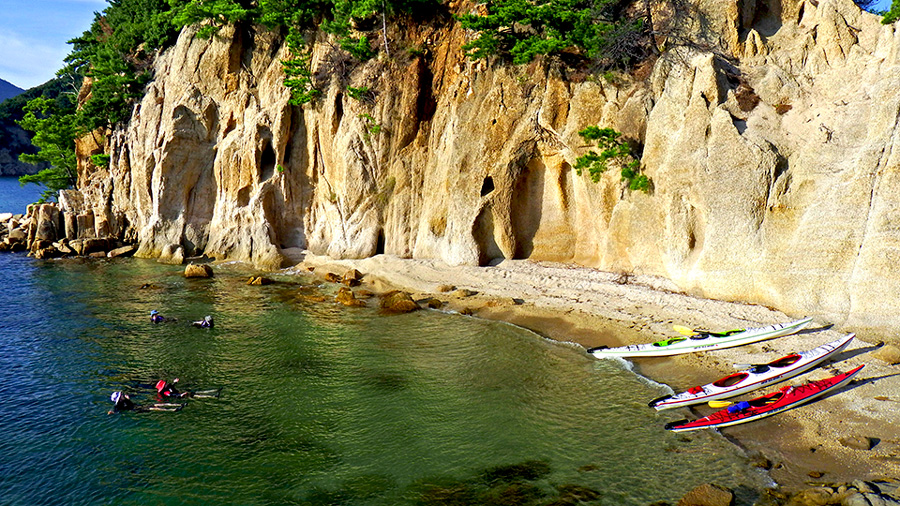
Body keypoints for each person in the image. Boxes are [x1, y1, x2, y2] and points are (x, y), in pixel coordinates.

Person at [108, 390, 184, 414]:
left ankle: (178, 404)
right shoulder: (118, 405)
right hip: (136, 409)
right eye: (121, 395)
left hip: (138, 405)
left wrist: (128, 399)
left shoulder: (125, 399)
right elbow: (113, 409)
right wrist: (111, 412)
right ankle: (173, 410)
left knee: (156, 404)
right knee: (153, 408)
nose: (122, 395)